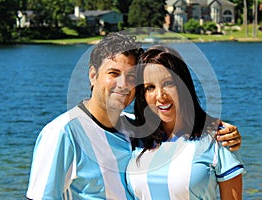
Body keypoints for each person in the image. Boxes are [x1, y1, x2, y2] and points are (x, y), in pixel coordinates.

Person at [26, 32, 242, 199]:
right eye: (113, 73)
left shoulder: (134, 128)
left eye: (131, 77)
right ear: (93, 75)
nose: (122, 84)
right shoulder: (62, 133)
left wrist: (218, 129)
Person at [126, 45, 244, 199]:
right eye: (150, 87)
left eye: (168, 83)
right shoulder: (133, 134)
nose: (160, 96)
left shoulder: (217, 138)